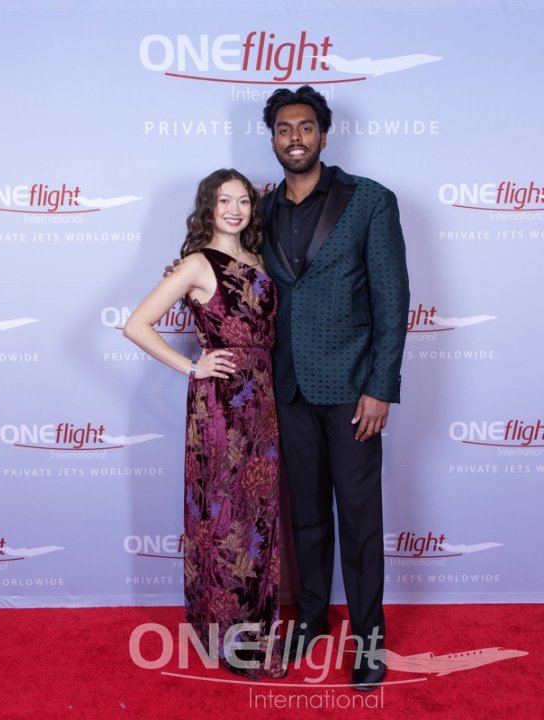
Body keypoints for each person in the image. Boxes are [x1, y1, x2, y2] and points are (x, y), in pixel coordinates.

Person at [260, 86, 410, 689]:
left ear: (324, 134)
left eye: (305, 127)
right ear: (273, 139)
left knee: (359, 521)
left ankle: (369, 639)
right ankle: (313, 618)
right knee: (306, 518)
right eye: (283, 129)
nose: (294, 138)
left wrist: (381, 387)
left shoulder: (369, 199)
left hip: (353, 390)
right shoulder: (262, 209)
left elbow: (392, 301)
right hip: (288, 388)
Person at [124, 168, 284, 679]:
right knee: (225, 518)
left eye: (244, 201)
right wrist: (193, 366)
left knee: (258, 518)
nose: (235, 210)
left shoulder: (258, 259)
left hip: (262, 401)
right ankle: (232, 639)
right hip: (220, 404)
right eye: (224, 201)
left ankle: (253, 627)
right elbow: (136, 325)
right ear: (208, 208)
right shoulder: (196, 263)